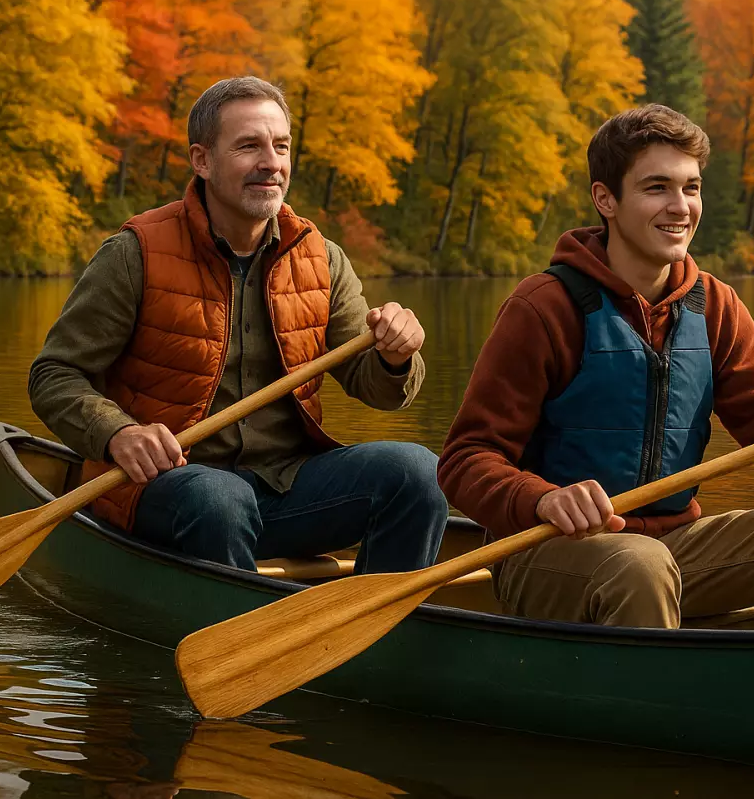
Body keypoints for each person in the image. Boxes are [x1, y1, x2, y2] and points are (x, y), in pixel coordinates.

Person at [437, 104, 754, 629]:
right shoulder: (544, 307)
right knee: (638, 563)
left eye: (691, 188)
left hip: (675, 549)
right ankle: (651, 706)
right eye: (657, 188)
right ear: (606, 199)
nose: (681, 207)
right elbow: (465, 461)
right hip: (548, 553)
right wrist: (543, 499)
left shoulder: (715, 305)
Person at [29, 76, 447, 574]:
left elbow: (378, 390)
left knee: (419, 473)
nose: (271, 162)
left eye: (281, 146)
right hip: (164, 489)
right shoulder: (135, 254)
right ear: (202, 161)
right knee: (220, 498)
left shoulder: (322, 258)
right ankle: (238, 641)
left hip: (289, 488)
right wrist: (119, 433)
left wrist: (396, 355)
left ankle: (373, 631)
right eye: (249, 146)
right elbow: (53, 376)